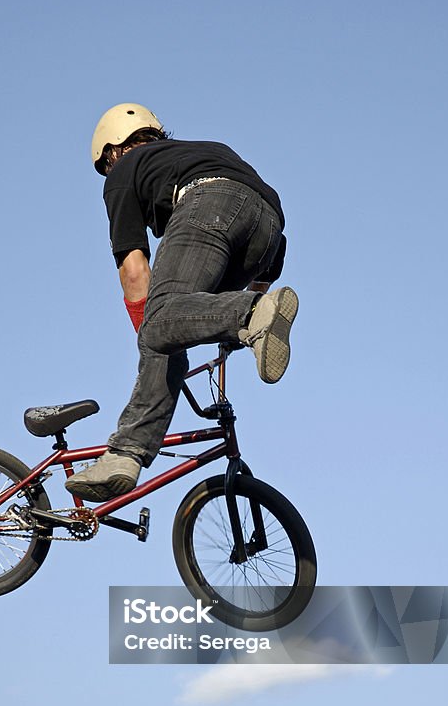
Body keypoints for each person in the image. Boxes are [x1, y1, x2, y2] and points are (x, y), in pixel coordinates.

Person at [65, 103, 298, 502]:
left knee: (158, 324)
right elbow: (262, 273)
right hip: (270, 229)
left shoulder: (123, 170)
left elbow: (135, 271)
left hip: (210, 204)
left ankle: (126, 452)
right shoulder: (201, 149)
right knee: (174, 324)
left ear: (112, 151)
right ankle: (127, 456)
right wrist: (224, 328)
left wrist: (150, 332)